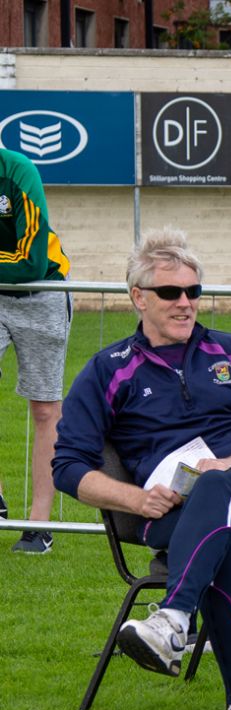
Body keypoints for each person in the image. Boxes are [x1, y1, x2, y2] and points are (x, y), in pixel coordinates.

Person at [53, 227, 231, 710]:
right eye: (171, 293)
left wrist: (228, 464)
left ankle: (171, 619)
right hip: (171, 516)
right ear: (138, 297)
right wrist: (134, 500)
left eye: (194, 291)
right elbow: (68, 467)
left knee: (217, 492)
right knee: (222, 547)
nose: (185, 302)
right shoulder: (109, 369)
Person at [0, 148, 72, 554]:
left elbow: (30, 262)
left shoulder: (18, 171)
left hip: (42, 293)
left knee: (45, 409)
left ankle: (38, 523)